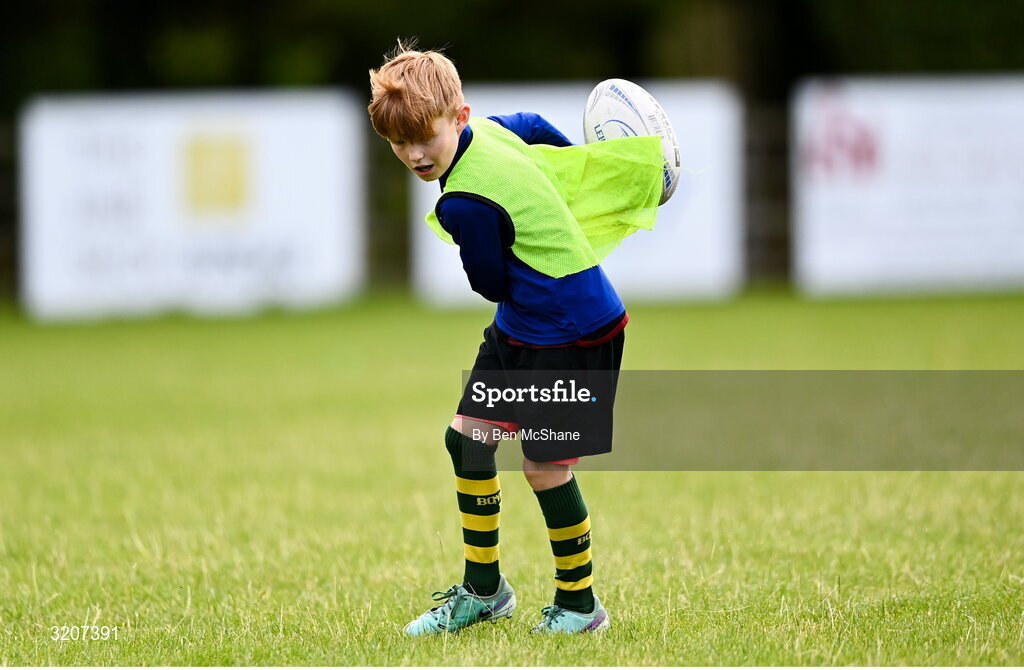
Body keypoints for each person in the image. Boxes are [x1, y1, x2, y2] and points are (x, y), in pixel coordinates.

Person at [367, 42, 668, 636]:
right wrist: (573, 166)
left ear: (458, 116)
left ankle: (581, 607)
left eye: (422, 136)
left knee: (544, 467)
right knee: (468, 443)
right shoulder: (490, 134)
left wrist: (533, 208)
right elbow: (530, 124)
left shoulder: (464, 203)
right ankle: (485, 591)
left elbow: (489, 281)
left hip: (575, 332)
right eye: (398, 144)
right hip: (522, 328)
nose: (414, 154)